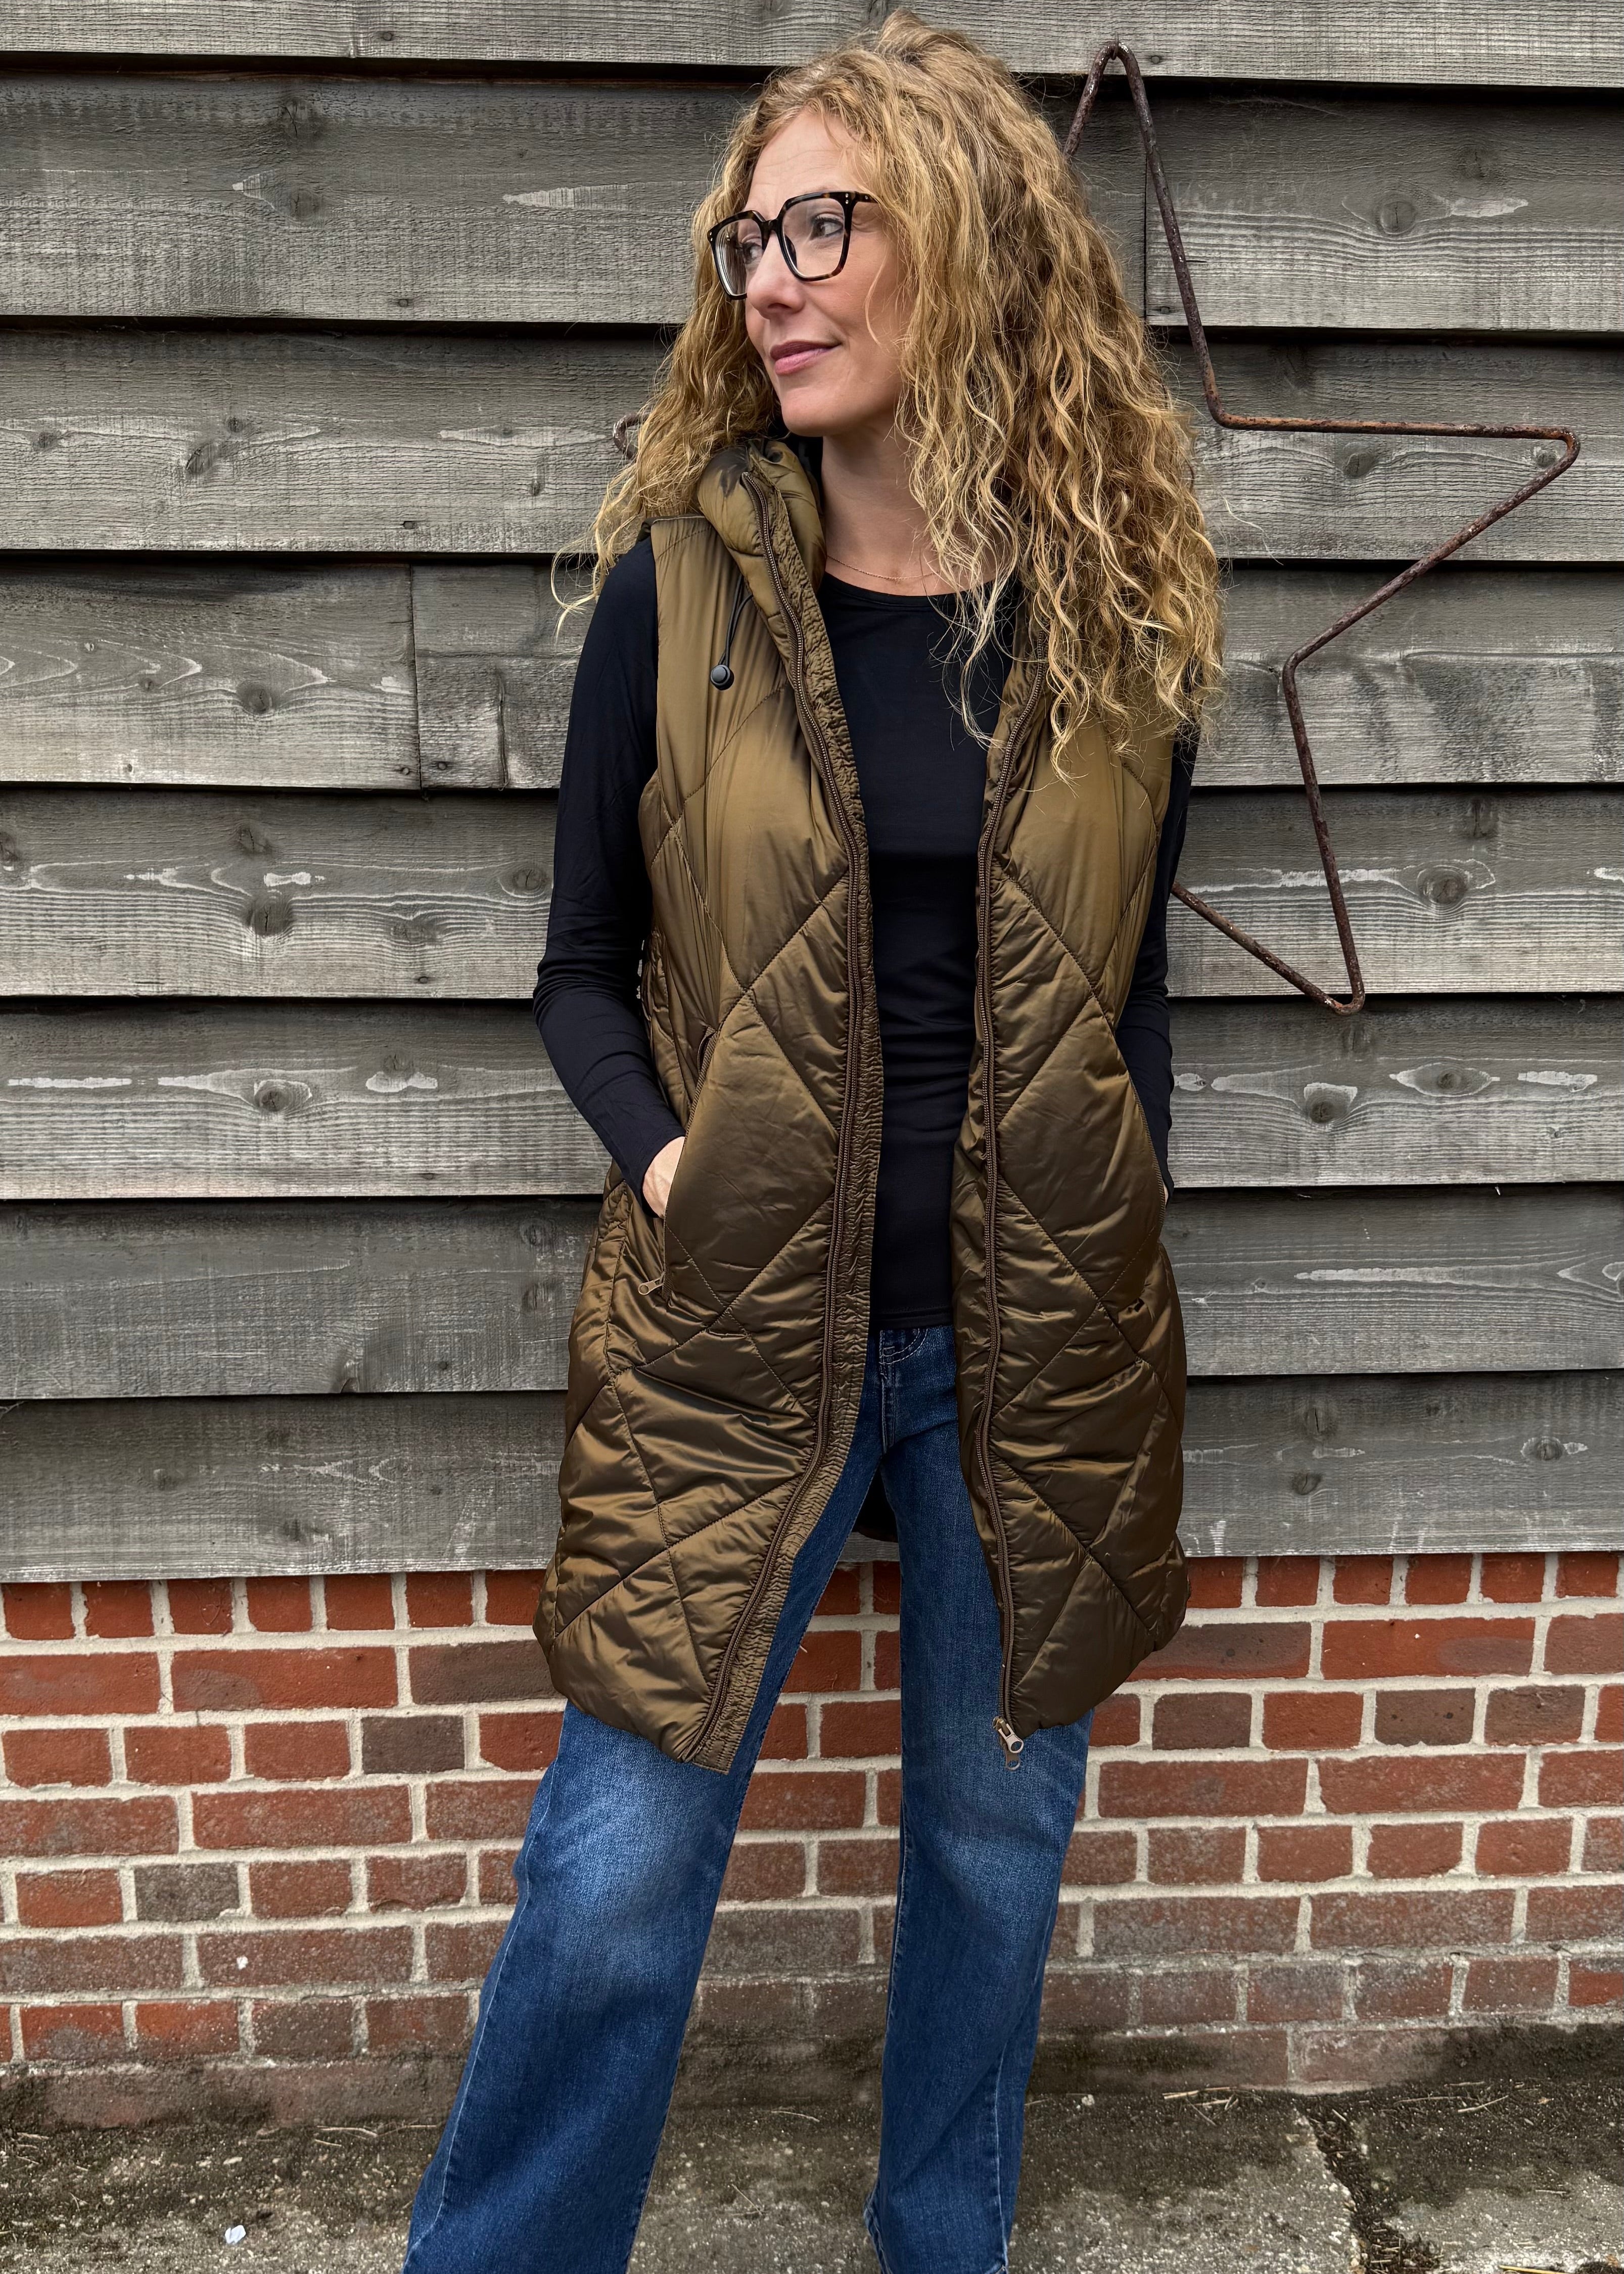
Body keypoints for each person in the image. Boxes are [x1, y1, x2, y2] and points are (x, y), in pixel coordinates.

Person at [401, 15, 1221, 2272]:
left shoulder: (1119, 619)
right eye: (751, 238)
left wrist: (1106, 1193)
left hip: (1029, 1350)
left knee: (989, 1850)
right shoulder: (681, 596)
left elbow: (1127, 993)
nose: (773, 276)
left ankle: (936, 2245)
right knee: (616, 1878)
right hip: (736, 1331)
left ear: (958, 242)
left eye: (825, 223)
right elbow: (578, 968)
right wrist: (677, 1173)